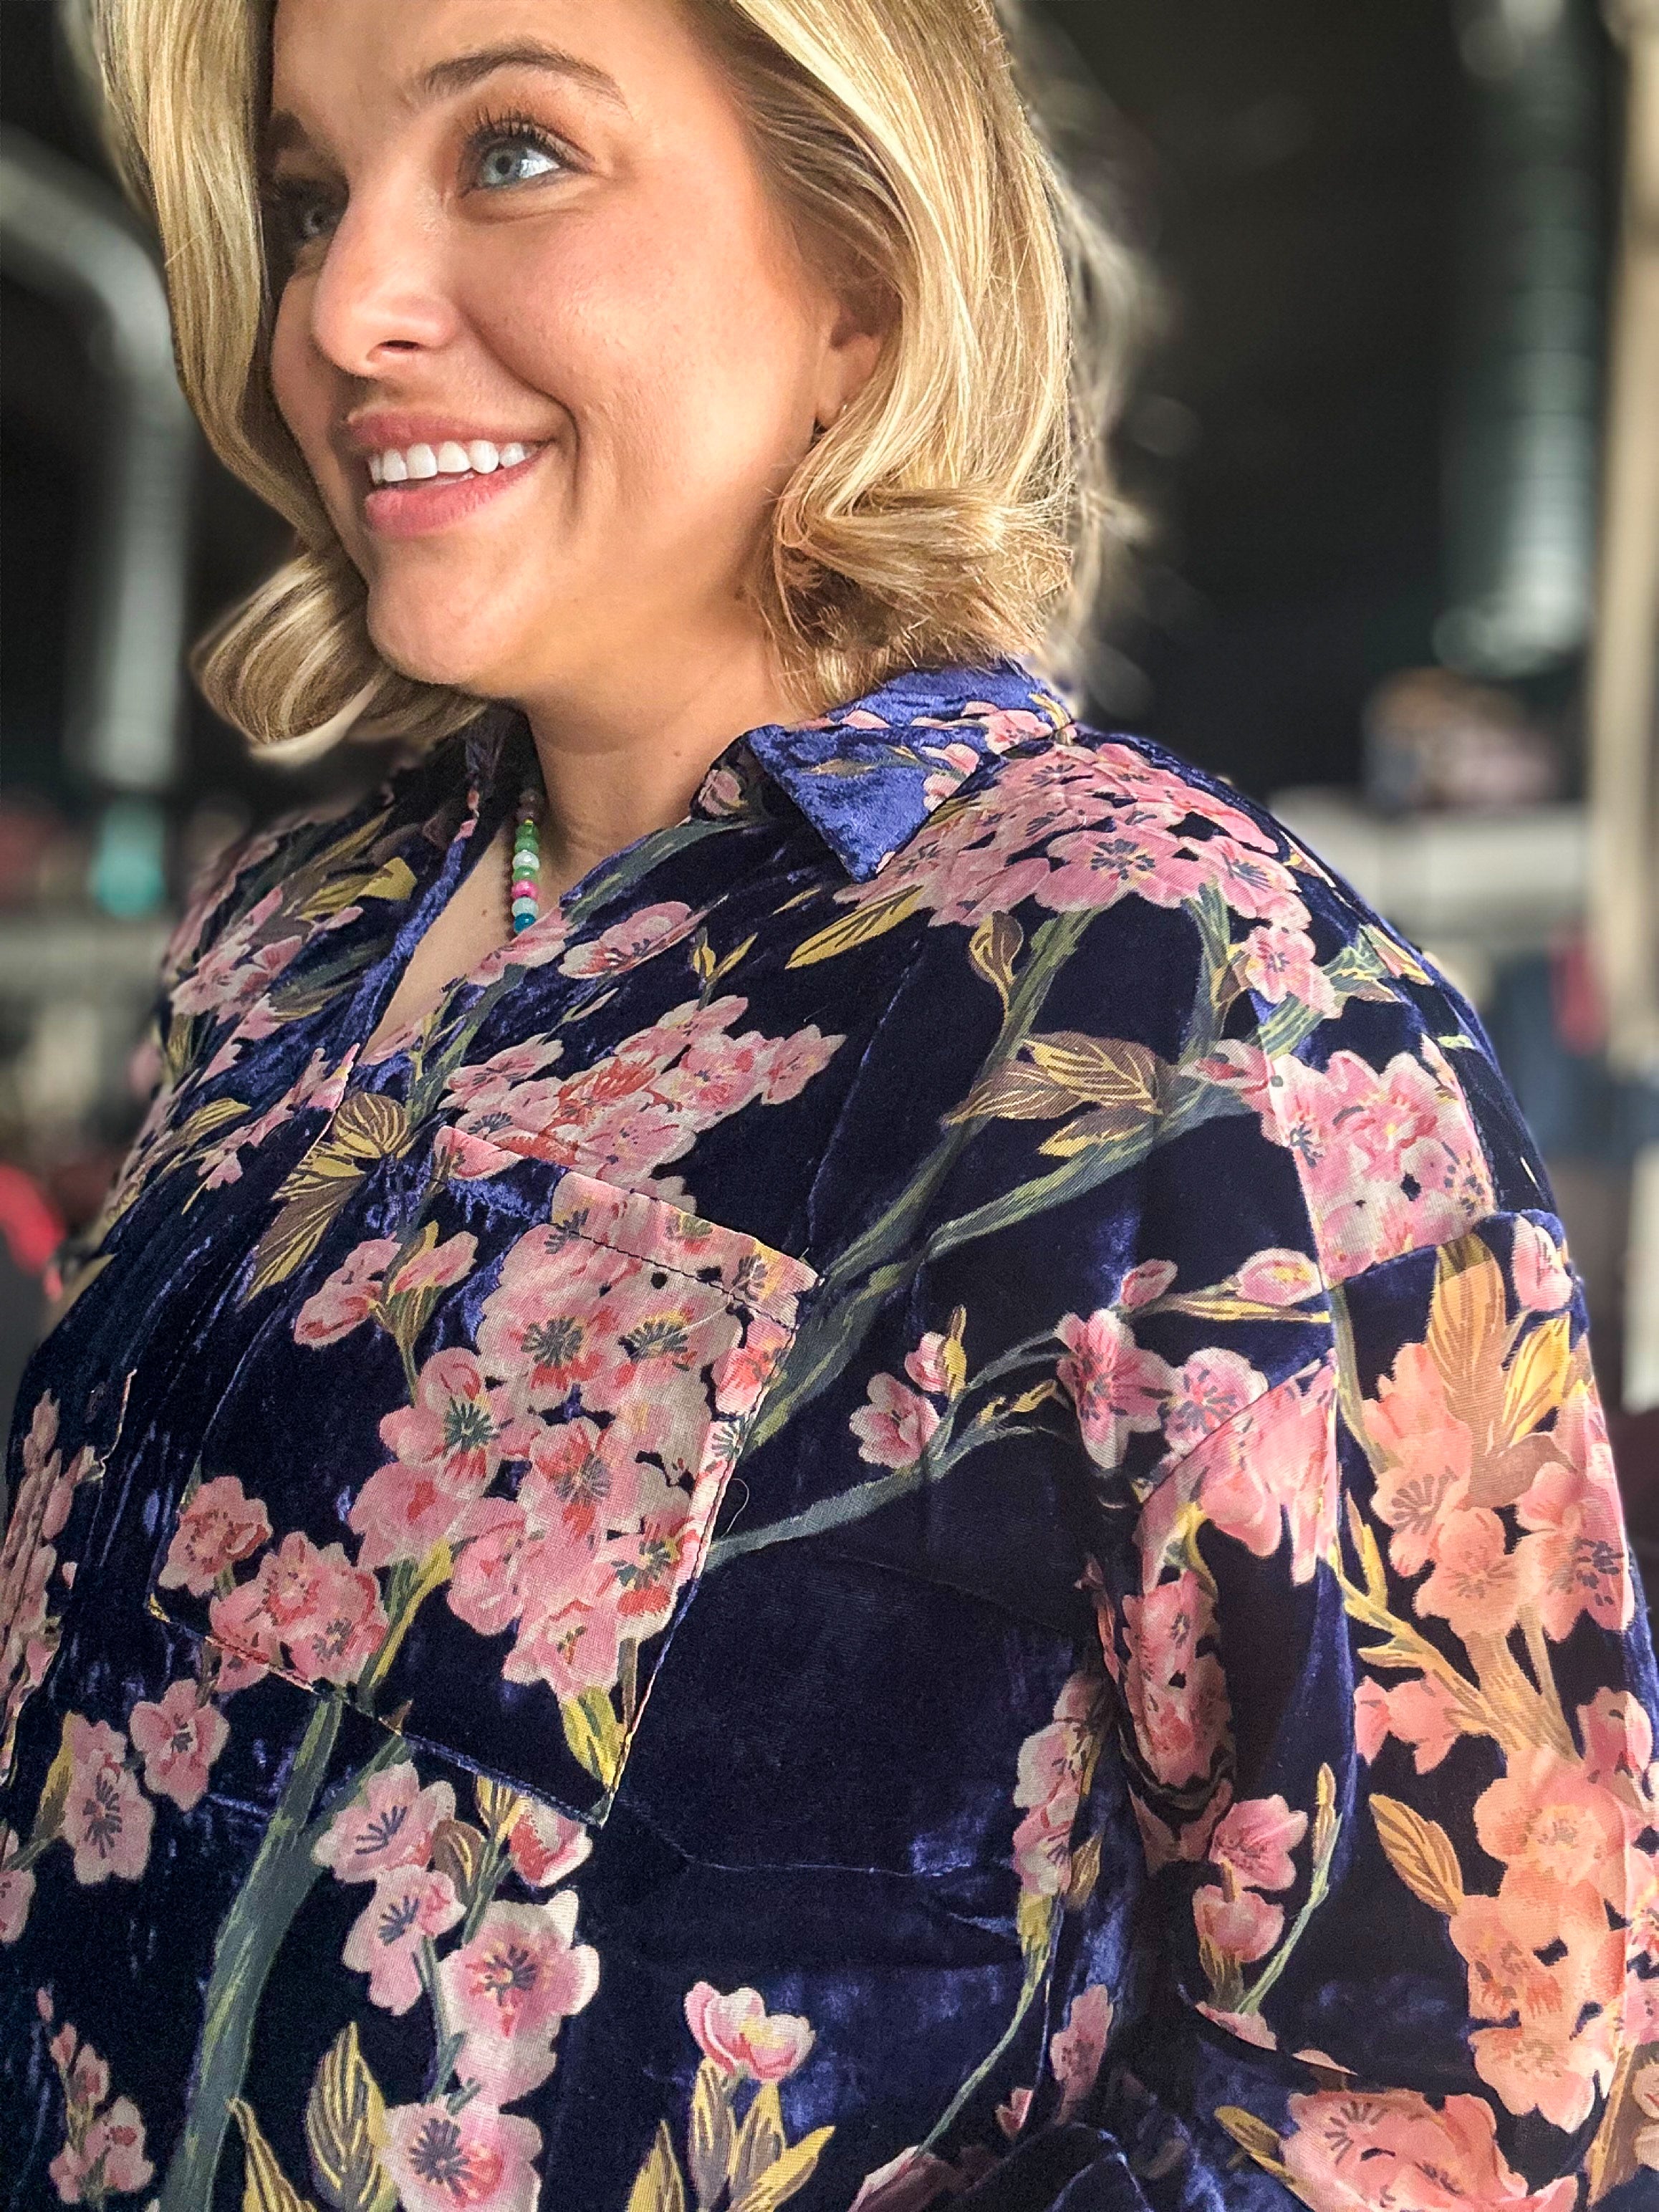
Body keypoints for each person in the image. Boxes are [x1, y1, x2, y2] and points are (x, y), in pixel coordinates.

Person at [2, 0, 1655, 2204]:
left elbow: (1473, 2109)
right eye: (310, 201)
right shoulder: (287, 935)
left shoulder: (1176, 989)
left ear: (859, 274)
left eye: (510, 152)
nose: (341, 307)